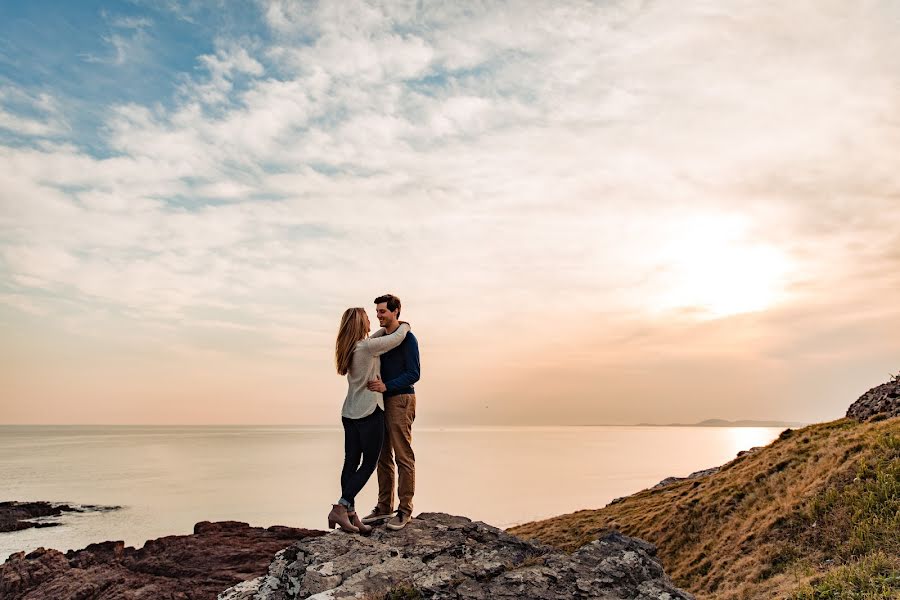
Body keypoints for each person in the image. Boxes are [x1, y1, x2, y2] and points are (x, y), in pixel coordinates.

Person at [329, 307, 411, 533]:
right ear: (359, 323)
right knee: (369, 463)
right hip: (369, 412)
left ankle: (350, 514)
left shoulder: (351, 347)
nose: (371, 320)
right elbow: (395, 338)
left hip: (349, 413)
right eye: (367, 317)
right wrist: (405, 324)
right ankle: (342, 506)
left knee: (350, 461)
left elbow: (376, 338)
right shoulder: (366, 347)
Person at [362, 294, 420, 531]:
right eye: (376, 311)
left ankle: (404, 510)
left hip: (401, 400)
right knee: (382, 456)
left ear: (396, 311)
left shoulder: (408, 339)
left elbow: (414, 373)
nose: (378, 315)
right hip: (381, 402)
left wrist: (387, 385)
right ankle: (384, 507)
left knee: (403, 455)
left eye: (382, 311)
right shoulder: (383, 339)